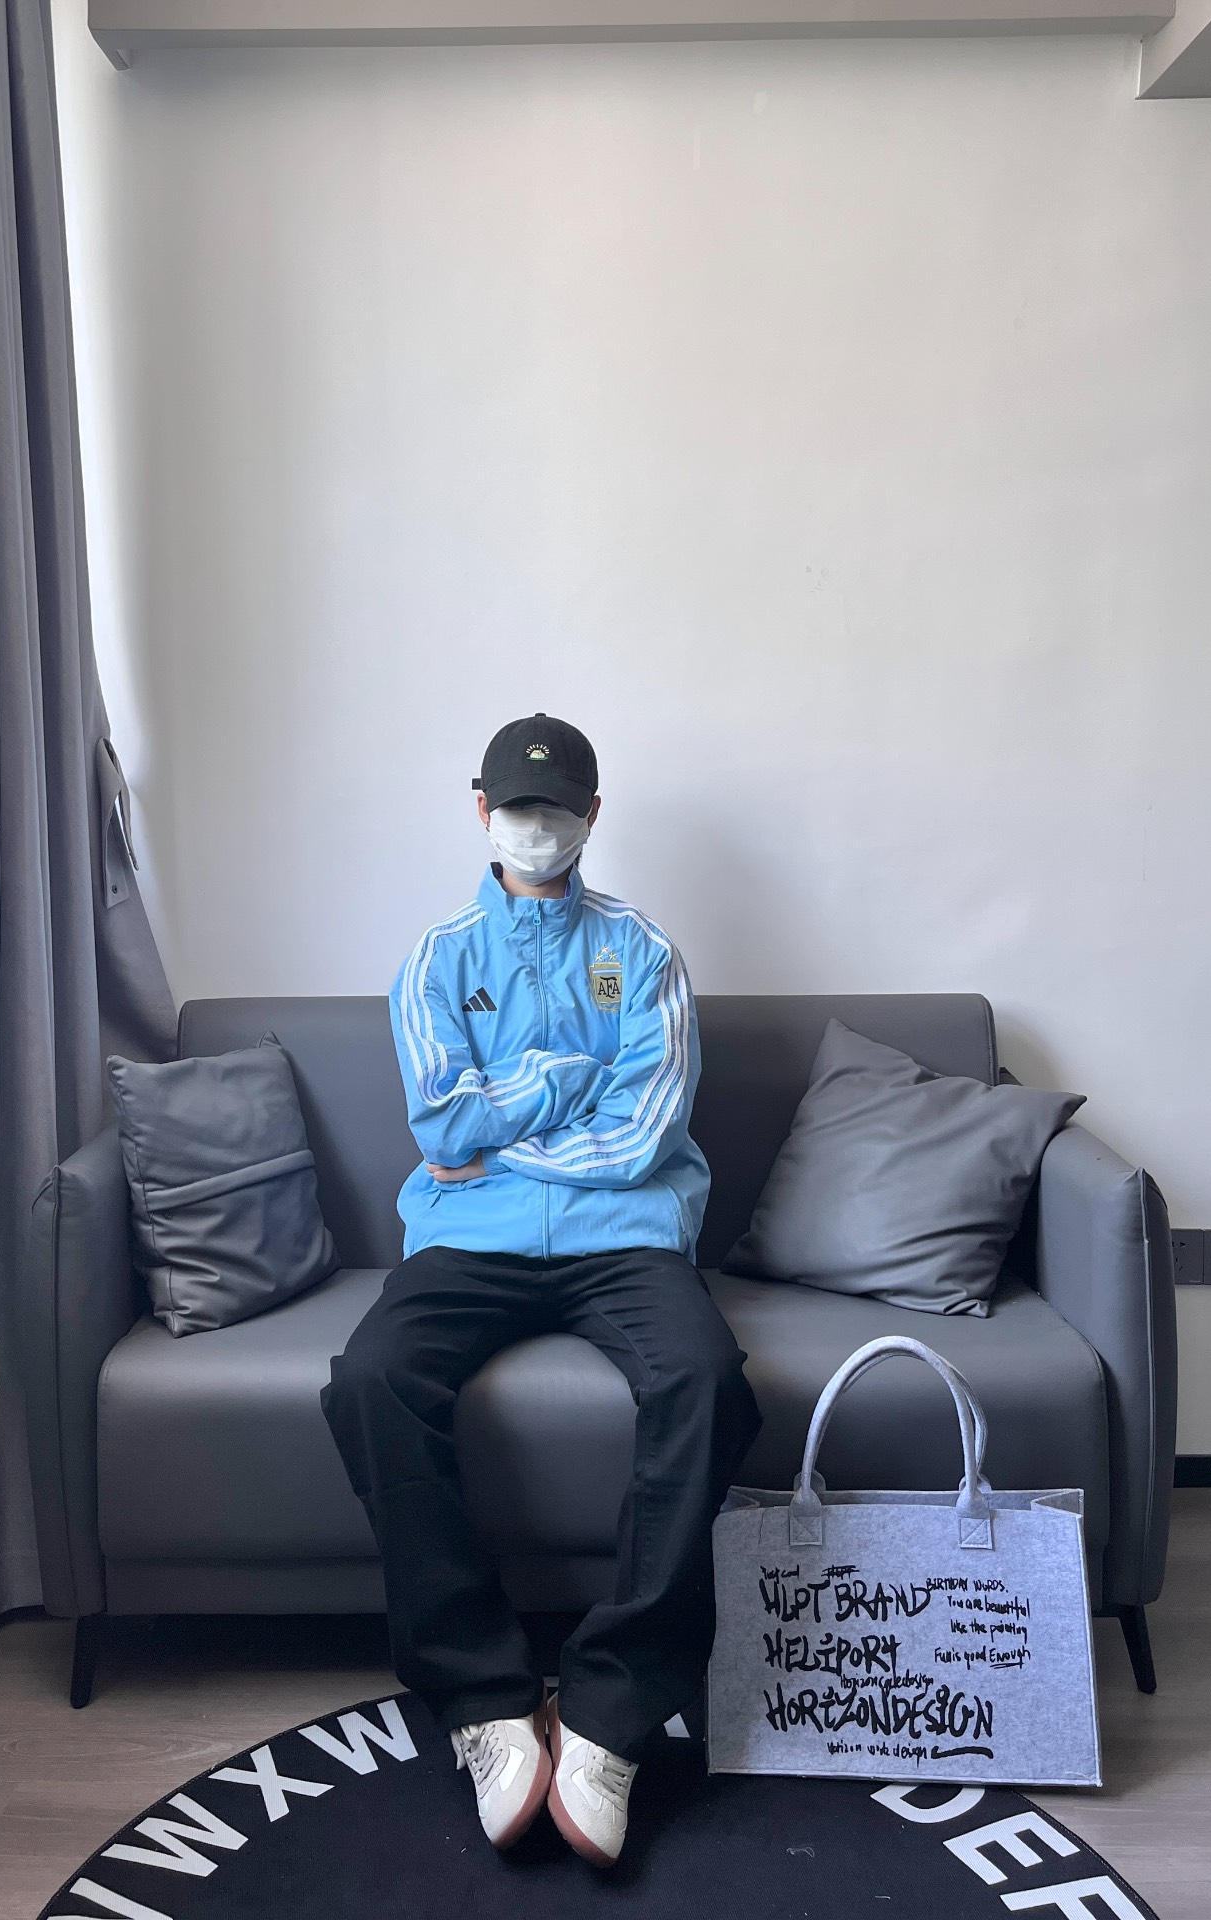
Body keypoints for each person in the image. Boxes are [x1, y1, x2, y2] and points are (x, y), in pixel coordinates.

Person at [321, 712, 761, 1866]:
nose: (536, 827)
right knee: (369, 1381)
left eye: (557, 809)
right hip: (468, 1243)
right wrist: (572, 1079)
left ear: (592, 817)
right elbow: (440, 1124)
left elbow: (645, 1128)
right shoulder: (436, 960)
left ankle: (614, 1711)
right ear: (481, 811)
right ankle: (484, 1700)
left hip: (628, 1238)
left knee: (708, 1381)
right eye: (516, 808)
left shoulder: (642, 952)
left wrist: (508, 1128)